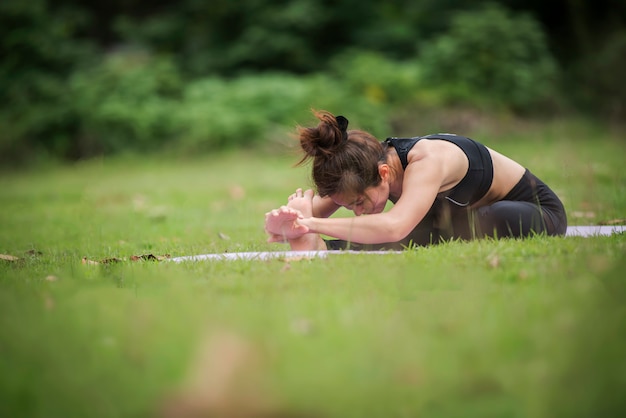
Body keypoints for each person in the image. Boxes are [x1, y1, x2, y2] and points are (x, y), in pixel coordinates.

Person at [265, 110, 567, 251]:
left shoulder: (427, 160)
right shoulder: (360, 171)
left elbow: (393, 225)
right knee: (409, 235)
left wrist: (311, 225)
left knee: (408, 232)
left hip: (532, 213)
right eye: (350, 206)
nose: (356, 211)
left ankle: (322, 248)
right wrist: (293, 219)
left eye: (359, 203)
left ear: (384, 174)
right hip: (456, 220)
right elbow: (310, 214)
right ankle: (322, 250)